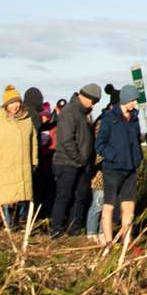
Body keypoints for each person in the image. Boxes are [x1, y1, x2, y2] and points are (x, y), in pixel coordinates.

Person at [95, 85, 144, 248]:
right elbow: (99, 144)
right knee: (109, 205)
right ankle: (108, 241)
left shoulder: (135, 119)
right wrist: (113, 156)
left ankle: (126, 241)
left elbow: (136, 140)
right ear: (125, 99)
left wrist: (138, 158)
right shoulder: (109, 118)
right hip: (112, 169)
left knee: (129, 205)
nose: (135, 104)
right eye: (133, 100)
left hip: (130, 168)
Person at [0, 88, 38, 228]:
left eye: (17, 102)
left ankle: (19, 227)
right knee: (5, 200)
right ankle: (6, 229)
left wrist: (34, 161)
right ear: (5, 105)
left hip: (22, 168)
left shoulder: (27, 121)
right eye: (11, 103)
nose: (15, 106)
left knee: (21, 200)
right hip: (3, 169)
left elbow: (34, 142)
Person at [49, 84, 100, 237]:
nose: (93, 105)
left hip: (81, 164)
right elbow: (66, 140)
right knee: (64, 196)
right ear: (85, 97)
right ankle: (56, 229)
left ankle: (74, 228)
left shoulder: (83, 113)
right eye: (93, 101)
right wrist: (78, 158)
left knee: (80, 197)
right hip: (66, 163)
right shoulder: (69, 111)